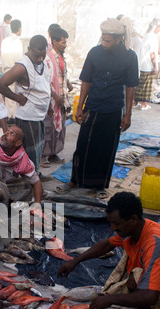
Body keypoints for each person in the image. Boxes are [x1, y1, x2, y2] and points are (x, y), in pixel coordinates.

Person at [58, 192, 160, 309]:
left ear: (133, 219)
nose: (112, 228)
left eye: (116, 224)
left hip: (154, 286)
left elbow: (150, 296)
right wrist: (75, 261)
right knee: (133, 275)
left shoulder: (154, 242)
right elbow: (107, 244)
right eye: (111, 223)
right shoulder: (134, 229)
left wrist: (111, 299)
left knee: (135, 281)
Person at [58, 18, 139, 199]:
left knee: (107, 148)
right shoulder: (94, 53)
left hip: (113, 109)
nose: (104, 43)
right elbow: (86, 80)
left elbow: (130, 87)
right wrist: (80, 107)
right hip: (93, 107)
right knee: (83, 145)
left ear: (119, 39)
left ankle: (100, 185)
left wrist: (128, 115)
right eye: (103, 38)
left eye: (108, 40)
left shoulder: (130, 57)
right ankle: (74, 180)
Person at [0, 35, 52, 173]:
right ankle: (31, 181)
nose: (40, 59)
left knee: (39, 147)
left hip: (39, 115)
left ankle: (36, 174)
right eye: (37, 55)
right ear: (29, 49)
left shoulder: (43, 62)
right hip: (28, 118)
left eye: (42, 54)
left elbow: (45, 84)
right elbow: (1, 84)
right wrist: (17, 98)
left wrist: (49, 105)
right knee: (30, 151)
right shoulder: (21, 66)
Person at [41, 27, 72, 168]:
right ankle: (44, 156)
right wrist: (55, 96)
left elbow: (62, 75)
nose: (65, 45)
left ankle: (54, 153)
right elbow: (45, 81)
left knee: (59, 128)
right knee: (49, 127)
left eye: (65, 42)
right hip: (52, 99)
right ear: (54, 41)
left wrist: (67, 88)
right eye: (63, 42)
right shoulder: (48, 58)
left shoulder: (60, 57)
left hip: (61, 98)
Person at [133, 18, 160, 110]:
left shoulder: (145, 36)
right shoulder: (152, 37)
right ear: (156, 27)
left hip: (142, 64)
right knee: (147, 86)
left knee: (140, 85)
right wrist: (155, 66)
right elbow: (152, 53)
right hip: (148, 66)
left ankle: (135, 102)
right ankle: (143, 104)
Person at [0, 19, 23, 119]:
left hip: (6, 70)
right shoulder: (17, 41)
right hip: (14, 71)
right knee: (14, 95)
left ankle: (9, 116)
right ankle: (13, 118)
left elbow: (1, 59)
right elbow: (19, 60)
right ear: (19, 29)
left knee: (8, 96)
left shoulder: (4, 41)